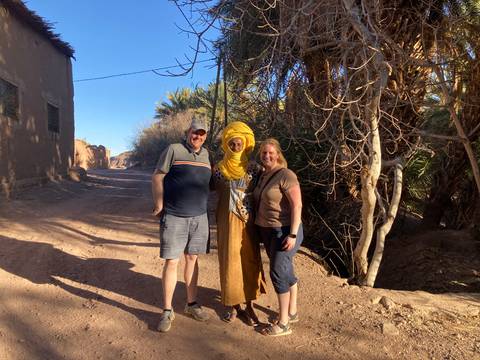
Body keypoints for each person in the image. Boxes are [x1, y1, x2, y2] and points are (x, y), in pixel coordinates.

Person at [151, 118, 211, 333]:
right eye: (195, 133)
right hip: (175, 216)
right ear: (188, 132)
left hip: (199, 217)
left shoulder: (206, 155)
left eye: (202, 134)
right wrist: (159, 204)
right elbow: (157, 178)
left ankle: (191, 304)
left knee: (193, 259)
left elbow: (208, 184)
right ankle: (167, 310)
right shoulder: (173, 150)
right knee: (172, 262)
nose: (198, 137)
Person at [213, 121, 266, 325]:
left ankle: (250, 305)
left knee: (250, 260)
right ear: (227, 145)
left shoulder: (255, 168)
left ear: (246, 144)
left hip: (248, 222)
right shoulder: (218, 169)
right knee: (229, 261)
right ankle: (233, 306)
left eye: (240, 144)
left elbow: (265, 191)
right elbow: (206, 187)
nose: (236, 147)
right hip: (226, 221)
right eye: (233, 143)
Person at [253, 138, 303, 337]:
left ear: (278, 154)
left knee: (277, 272)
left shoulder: (286, 174)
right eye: (264, 153)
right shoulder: (263, 175)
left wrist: (292, 233)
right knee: (285, 269)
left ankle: (283, 324)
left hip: (285, 230)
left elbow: (297, 206)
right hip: (268, 230)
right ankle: (292, 312)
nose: (267, 156)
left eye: (271, 152)